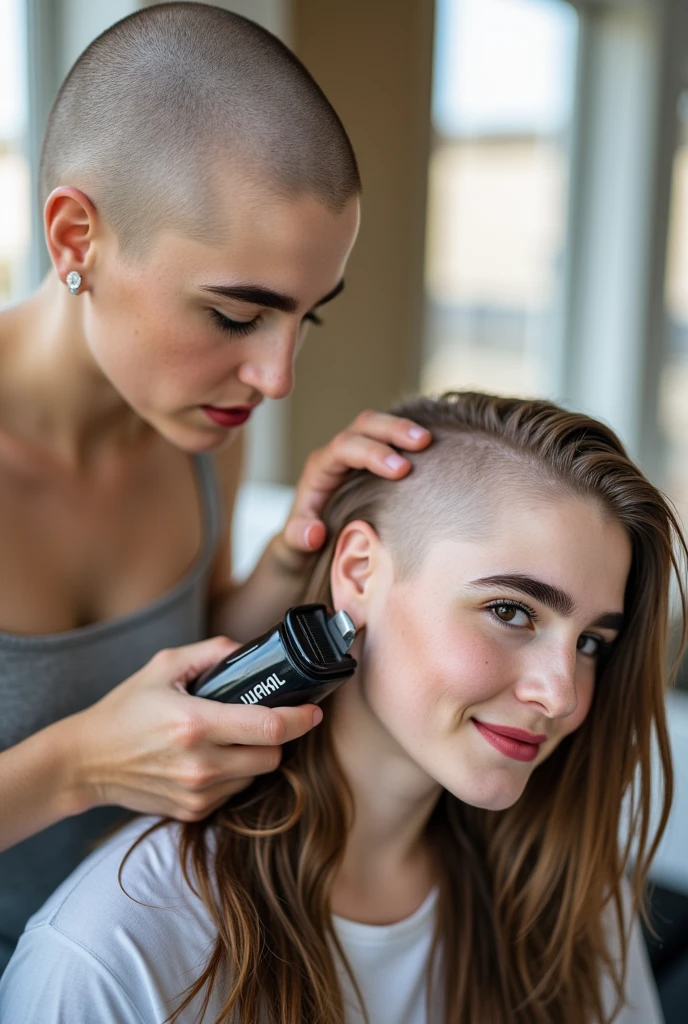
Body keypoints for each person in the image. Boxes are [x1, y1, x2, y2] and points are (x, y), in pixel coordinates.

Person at [1, 390, 683, 1024]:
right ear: (358, 572)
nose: (560, 693)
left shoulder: (574, 900)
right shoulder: (117, 952)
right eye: (511, 611)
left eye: (592, 642)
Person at [0, 2, 433, 973]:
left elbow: (188, 644)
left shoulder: (197, 434)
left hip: (142, 961)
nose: (277, 378)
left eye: (306, 319)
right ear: (76, 238)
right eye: (237, 314)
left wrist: (294, 552)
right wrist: (79, 766)